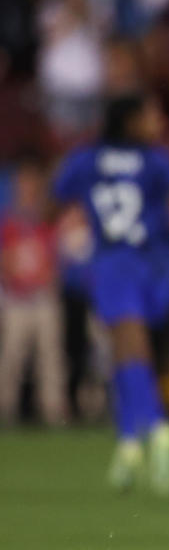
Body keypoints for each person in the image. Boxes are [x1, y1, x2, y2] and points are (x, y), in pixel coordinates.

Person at [52, 93, 169, 493]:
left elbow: (54, 198)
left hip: (114, 262)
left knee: (129, 346)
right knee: (125, 348)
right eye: (151, 114)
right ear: (130, 120)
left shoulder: (85, 159)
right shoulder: (157, 160)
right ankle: (129, 444)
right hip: (154, 265)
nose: (157, 121)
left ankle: (156, 426)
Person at [0, 158, 67, 428]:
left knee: (50, 357)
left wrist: (47, 277)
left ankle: (54, 412)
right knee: (12, 356)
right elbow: (4, 260)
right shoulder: (9, 222)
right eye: (23, 183)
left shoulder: (46, 221)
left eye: (32, 183)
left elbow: (56, 260)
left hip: (42, 298)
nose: (28, 188)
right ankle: (5, 410)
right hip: (16, 298)